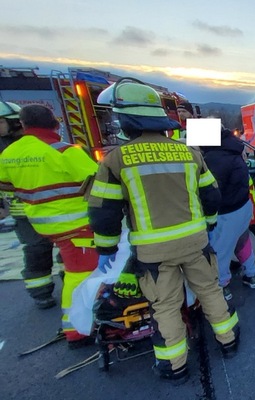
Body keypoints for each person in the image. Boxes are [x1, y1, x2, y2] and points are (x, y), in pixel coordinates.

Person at [88, 78, 239, 384]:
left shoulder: (116, 160)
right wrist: (208, 223)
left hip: (154, 253)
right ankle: (229, 341)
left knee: (166, 305)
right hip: (196, 242)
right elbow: (212, 195)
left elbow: (104, 211)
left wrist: (106, 248)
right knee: (210, 290)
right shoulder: (189, 153)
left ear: (127, 120)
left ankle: (175, 366)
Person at [0, 104, 99, 347]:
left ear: (23, 125)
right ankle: (76, 330)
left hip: (41, 222)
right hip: (76, 225)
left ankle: (63, 308)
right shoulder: (66, 151)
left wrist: (31, 191)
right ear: (56, 124)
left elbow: (5, 183)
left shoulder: (10, 153)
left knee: (65, 264)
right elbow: (100, 183)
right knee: (81, 275)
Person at [0, 101, 57, 309]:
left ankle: (74, 283)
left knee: (67, 250)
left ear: (16, 122)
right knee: (36, 251)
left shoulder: (38, 144)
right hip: (23, 212)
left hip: (52, 207)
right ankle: (41, 292)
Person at [200, 125, 255, 300]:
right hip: (243, 207)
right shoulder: (233, 150)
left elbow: (211, 192)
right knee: (242, 242)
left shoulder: (213, 158)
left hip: (226, 213)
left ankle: (223, 285)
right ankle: (251, 274)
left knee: (220, 250)